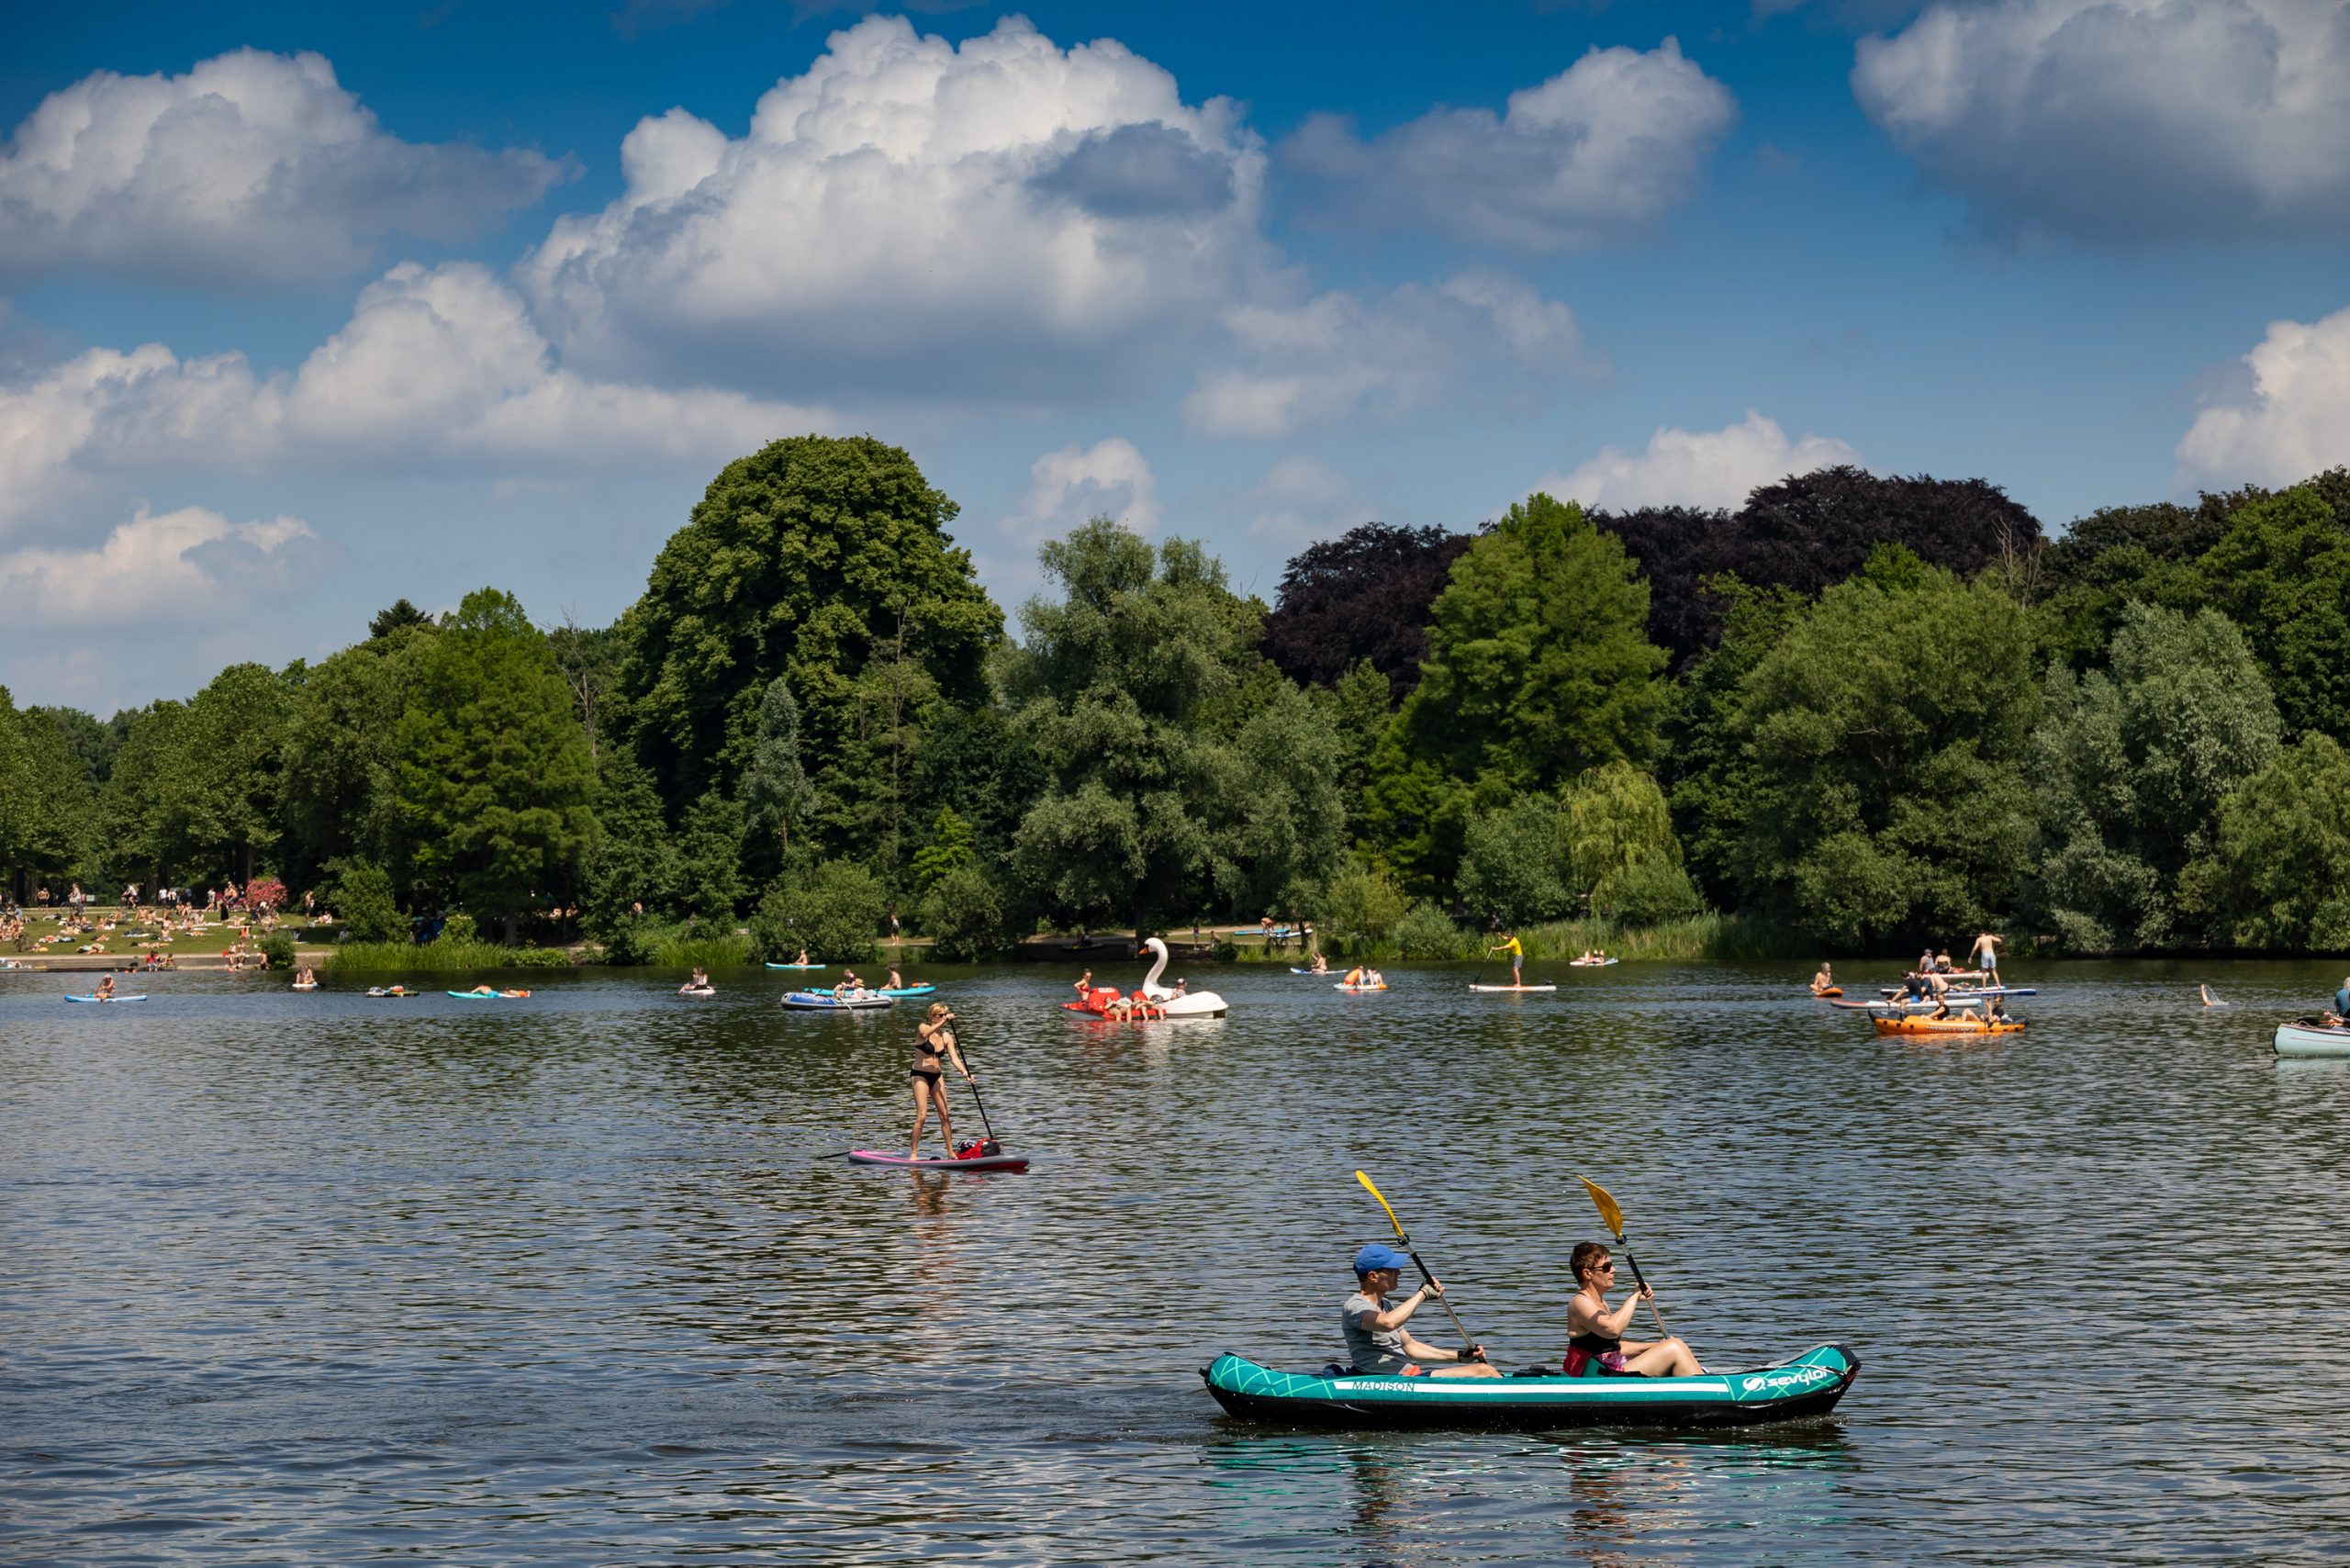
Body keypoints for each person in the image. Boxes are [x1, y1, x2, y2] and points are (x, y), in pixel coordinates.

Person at [1343, 1245, 1496, 1378]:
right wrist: (1423, 1293)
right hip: (1386, 1381)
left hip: (1408, 1377)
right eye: (1392, 1270)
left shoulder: (1386, 1305)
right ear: (1373, 1276)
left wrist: (1460, 1356)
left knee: (1485, 1371)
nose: (1399, 1273)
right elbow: (1388, 1323)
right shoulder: (1355, 1306)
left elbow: (1410, 1347)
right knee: (1484, 1371)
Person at [1565, 1241, 1700, 1377]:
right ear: (1587, 1273)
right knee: (1674, 1348)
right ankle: (1705, 1389)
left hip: (1611, 1368)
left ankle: (1695, 1386)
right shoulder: (1580, 1302)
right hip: (1600, 1375)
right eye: (1606, 1267)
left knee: (1674, 1343)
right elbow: (1612, 1329)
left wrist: (1655, 1346)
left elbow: (1615, 1347)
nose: (1613, 1270)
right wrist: (1634, 1296)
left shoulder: (1601, 1303)